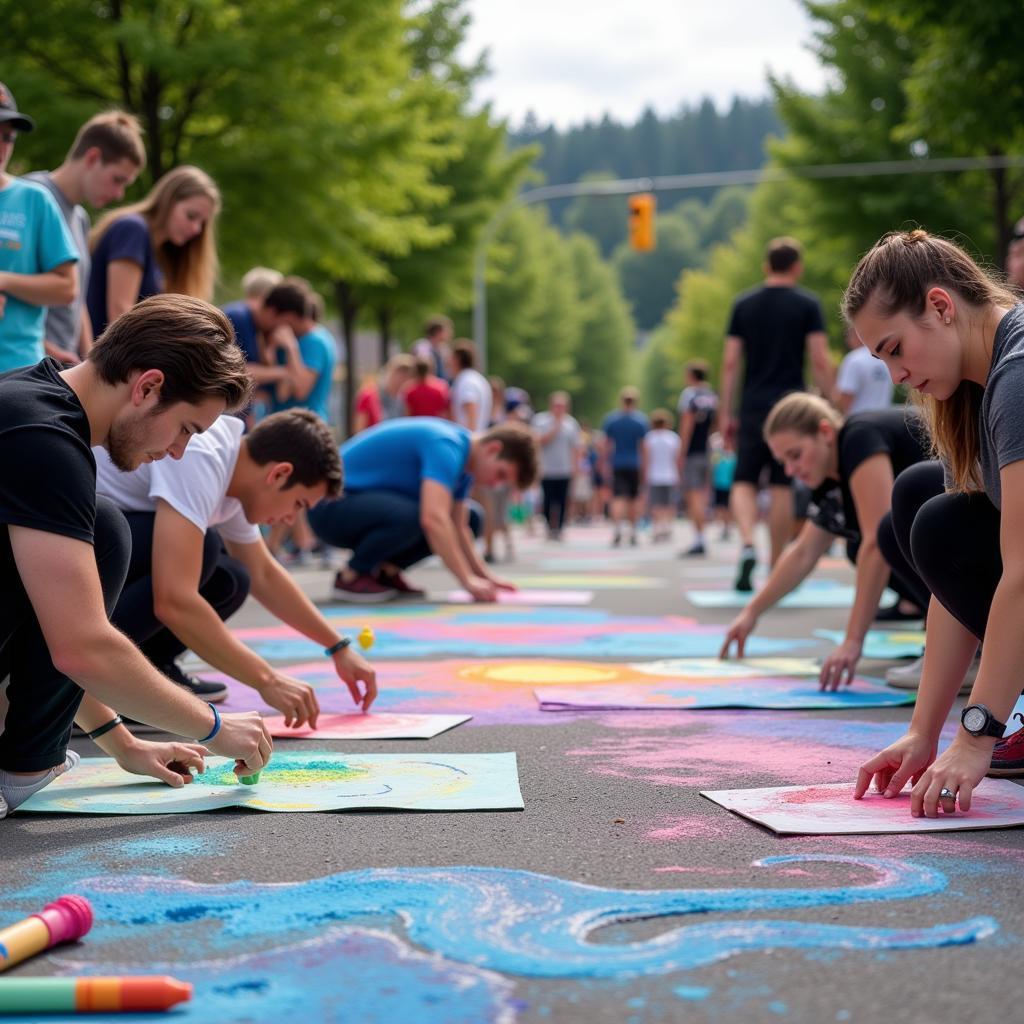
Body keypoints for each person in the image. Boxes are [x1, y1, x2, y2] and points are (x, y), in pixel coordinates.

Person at [0, 294, 271, 818]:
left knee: (104, 528)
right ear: (147, 387)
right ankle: (22, 767)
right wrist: (213, 726)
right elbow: (82, 647)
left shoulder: (34, 399)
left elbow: (56, 622)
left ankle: (25, 765)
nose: (178, 452)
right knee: (107, 531)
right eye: (187, 429)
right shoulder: (43, 440)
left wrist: (124, 744)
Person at [844, 229, 1024, 810]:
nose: (895, 374)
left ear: (941, 307)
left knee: (936, 519)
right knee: (923, 498)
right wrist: (925, 732)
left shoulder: (1017, 378)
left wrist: (975, 735)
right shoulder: (975, 386)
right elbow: (953, 584)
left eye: (895, 349)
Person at [96, 407, 376, 719]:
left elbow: (264, 574)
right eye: (298, 504)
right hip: (58, 553)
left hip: (94, 546)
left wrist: (339, 648)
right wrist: (266, 680)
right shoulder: (201, 455)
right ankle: (90, 682)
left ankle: (149, 667)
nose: (290, 519)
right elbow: (173, 600)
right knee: (205, 549)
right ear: (279, 474)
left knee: (232, 578)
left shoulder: (234, 480)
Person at [720, 392, 930, 688]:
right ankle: (956, 632)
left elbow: (878, 541)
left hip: (985, 533)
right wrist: (750, 613)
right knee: (857, 547)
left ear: (825, 432)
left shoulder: (858, 437)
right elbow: (804, 552)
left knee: (874, 542)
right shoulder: (831, 482)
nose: (791, 470)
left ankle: (971, 643)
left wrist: (852, 642)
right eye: (783, 462)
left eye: (795, 455)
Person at [308, 419, 538, 603]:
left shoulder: (465, 467)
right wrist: (466, 580)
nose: (496, 484)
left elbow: (460, 528)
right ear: (493, 449)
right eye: (501, 474)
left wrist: (485, 577)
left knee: (473, 518)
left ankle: (385, 571)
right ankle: (353, 575)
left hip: (357, 506)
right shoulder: (447, 445)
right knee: (420, 515)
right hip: (328, 506)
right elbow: (433, 518)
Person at [719, 237, 834, 591]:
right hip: (791, 405)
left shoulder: (744, 304)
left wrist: (726, 411)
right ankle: (775, 563)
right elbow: (818, 358)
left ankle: (747, 544)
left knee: (744, 479)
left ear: (766, 265)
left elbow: (729, 361)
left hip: (752, 403)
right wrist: (829, 402)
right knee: (783, 481)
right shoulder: (807, 305)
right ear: (797, 267)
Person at [26, 110, 146, 366]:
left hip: (60, 364)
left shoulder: (80, 218)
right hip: (28, 362)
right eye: (117, 180)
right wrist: (44, 346)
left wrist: (91, 355)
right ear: (93, 157)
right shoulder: (31, 196)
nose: (119, 194)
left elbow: (76, 295)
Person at [0, 83, 79, 373]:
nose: (2, 147)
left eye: (8, 137)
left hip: (18, 369)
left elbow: (67, 287)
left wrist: (4, 280)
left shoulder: (33, 199)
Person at [88, 164, 220, 337]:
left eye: (202, 223)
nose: (196, 229)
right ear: (168, 202)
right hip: (94, 356)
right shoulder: (133, 230)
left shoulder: (163, 255)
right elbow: (120, 313)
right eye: (191, 216)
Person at [676, 360, 719, 555]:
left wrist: (681, 453)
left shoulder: (690, 395)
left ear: (692, 375)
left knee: (693, 496)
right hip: (707, 451)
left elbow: (687, 424)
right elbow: (715, 425)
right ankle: (701, 537)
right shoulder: (712, 396)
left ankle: (699, 539)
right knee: (701, 494)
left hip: (693, 452)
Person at [601, 386, 650, 547]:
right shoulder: (641, 421)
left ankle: (617, 529)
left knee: (617, 498)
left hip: (617, 463)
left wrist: (603, 462)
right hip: (634, 463)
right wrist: (645, 467)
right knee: (633, 499)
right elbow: (643, 447)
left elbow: (607, 445)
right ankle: (633, 531)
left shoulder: (612, 420)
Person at [532, 391, 581, 540]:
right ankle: (548, 526)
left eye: (562, 406)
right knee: (547, 499)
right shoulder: (540, 421)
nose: (559, 408)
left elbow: (575, 448)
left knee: (562, 500)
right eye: (556, 405)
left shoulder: (571, 424)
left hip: (564, 469)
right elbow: (538, 441)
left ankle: (559, 528)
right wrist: (555, 428)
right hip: (546, 468)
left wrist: (575, 467)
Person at [833, 325, 894, 415]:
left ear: (858, 334)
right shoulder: (884, 358)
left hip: (860, 420)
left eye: (848, 335)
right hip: (883, 419)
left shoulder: (854, 359)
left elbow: (846, 397)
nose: (848, 340)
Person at [641, 409, 681, 543]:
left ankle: (658, 527)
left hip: (654, 475)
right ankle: (667, 526)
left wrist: (645, 475)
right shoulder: (673, 437)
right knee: (669, 503)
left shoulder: (650, 437)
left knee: (656, 503)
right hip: (671, 474)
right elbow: (677, 458)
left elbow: (646, 459)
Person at [353, 354, 415, 433]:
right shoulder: (368, 395)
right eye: (399, 372)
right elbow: (359, 431)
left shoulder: (404, 399)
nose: (402, 378)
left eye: (406, 374)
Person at [448, 339, 491, 432]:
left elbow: (471, 408)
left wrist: (470, 439)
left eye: (450, 357)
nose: (448, 362)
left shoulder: (466, 380)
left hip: (469, 439)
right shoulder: (476, 378)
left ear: (457, 359)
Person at [411, 314, 453, 382]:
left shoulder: (444, 349)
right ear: (438, 332)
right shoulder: (422, 347)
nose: (450, 333)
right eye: (447, 330)